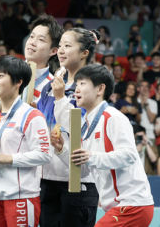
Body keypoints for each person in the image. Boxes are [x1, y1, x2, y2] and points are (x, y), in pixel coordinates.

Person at [64, 64, 154, 226]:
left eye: (82, 84)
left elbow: (129, 155)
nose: (76, 89)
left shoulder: (113, 117)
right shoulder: (86, 126)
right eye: (76, 84)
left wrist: (91, 156)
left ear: (100, 89)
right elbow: (83, 170)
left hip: (132, 205)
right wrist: (60, 150)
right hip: (118, 208)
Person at [38, 28, 100, 227]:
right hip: (47, 179)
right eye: (60, 45)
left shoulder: (93, 87)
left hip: (77, 181)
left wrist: (60, 98)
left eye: (68, 45)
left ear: (84, 53)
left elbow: (80, 130)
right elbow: (42, 127)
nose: (61, 50)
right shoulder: (51, 86)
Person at [0, 56, 51, 227]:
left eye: (1, 76)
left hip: (20, 196)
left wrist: (10, 158)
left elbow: (44, 154)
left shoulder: (32, 115)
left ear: (18, 82)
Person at [0, 14, 64, 114]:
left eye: (41, 39)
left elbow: (55, 125)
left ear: (53, 51)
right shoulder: (2, 70)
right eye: (31, 36)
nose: (32, 42)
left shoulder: (53, 87)